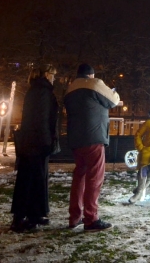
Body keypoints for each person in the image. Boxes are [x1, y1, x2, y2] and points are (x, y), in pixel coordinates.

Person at [64, 63, 121, 231]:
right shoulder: (94, 84)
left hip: (76, 139)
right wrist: (113, 91)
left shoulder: (70, 89)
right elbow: (113, 100)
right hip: (94, 137)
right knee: (94, 178)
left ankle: (74, 217)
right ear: (91, 75)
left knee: (79, 177)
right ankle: (91, 218)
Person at [10, 64, 60, 233]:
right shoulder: (43, 92)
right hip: (37, 142)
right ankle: (24, 217)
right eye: (53, 74)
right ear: (47, 74)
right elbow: (43, 120)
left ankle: (33, 214)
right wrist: (48, 142)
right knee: (33, 179)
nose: (55, 77)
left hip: (31, 142)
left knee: (32, 178)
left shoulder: (36, 90)